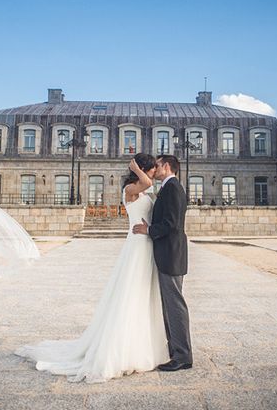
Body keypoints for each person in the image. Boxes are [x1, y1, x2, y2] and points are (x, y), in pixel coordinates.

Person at [15, 153, 169, 382]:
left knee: (144, 294)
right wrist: (136, 169)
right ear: (145, 168)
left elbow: (150, 193)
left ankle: (143, 344)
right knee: (131, 292)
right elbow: (146, 182)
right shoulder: (130, 188)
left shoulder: (144, 189)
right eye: (153, 168)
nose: (157, 171)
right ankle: (122, 350)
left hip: (147, 242)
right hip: (137, 245)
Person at [132, 154, 193, 371]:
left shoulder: (173, 188)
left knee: (174, 305)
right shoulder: (169, 188)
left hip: (171, 254)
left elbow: (172, 224)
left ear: (166, 166)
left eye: (157, 165)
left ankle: (183, 356)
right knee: (169, 305)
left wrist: (148, 229)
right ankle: (175, 351)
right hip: (168, 253)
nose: (154, 168)